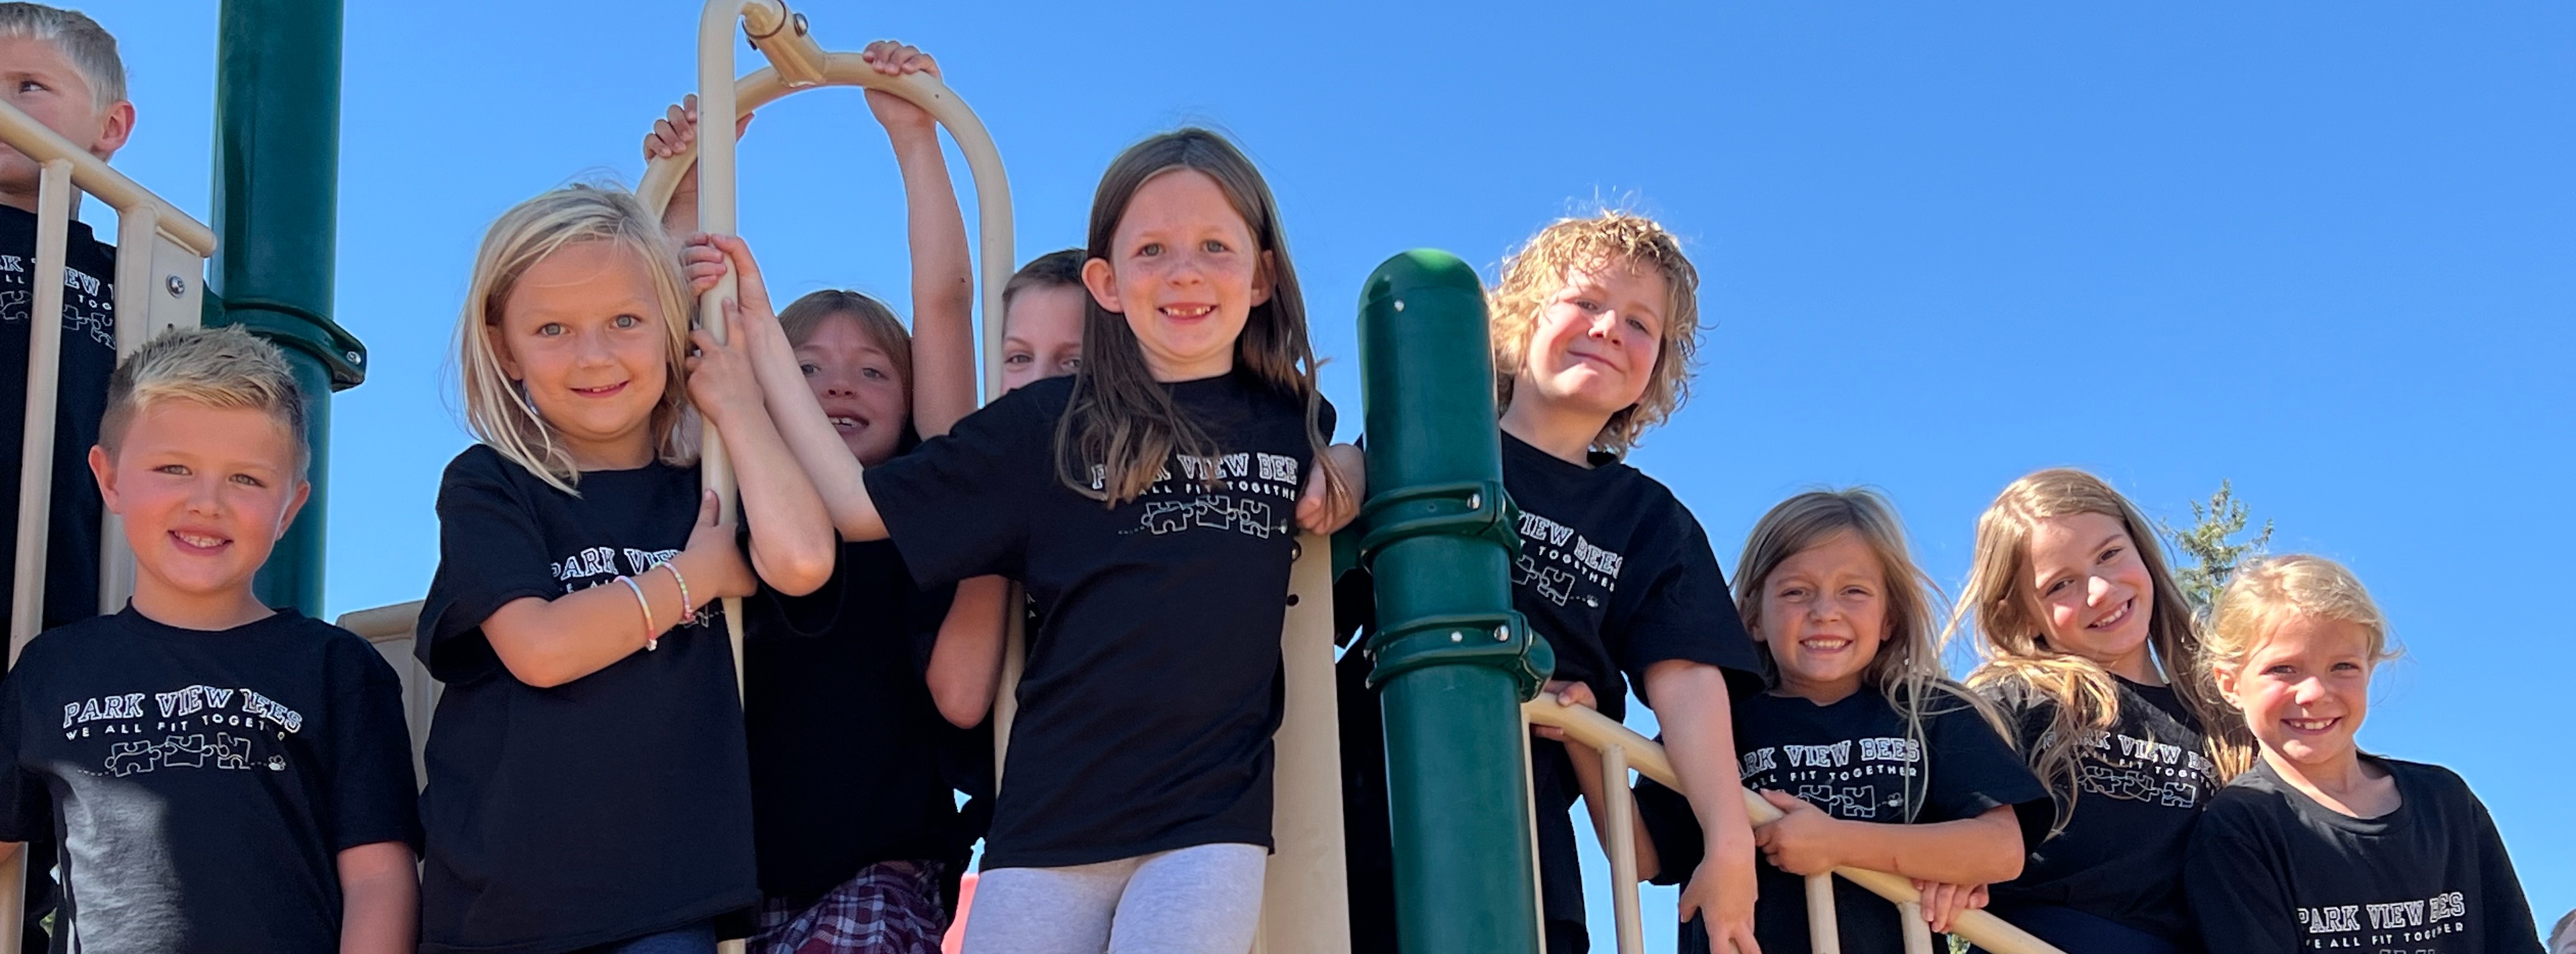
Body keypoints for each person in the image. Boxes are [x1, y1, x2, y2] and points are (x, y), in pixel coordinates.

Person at [687, 126, 1361, 954]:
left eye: (1213, 246)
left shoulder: (1288, 418)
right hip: (1048, 828)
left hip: (1205, 821)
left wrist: (1352, 469)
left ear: (1261, 275)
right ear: (1107, 283)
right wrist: (762, 351)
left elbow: (1376, 449)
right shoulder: (1045, 426)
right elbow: (862, 508)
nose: (1183, 270)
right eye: (1152, 249)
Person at [413, 184, 835, 954]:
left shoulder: (704, 488)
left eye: (626, 322)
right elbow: (539, 649)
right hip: (500, 907)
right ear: (504, 346)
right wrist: (692, 577)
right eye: (552, 328)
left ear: (671, 329)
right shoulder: (492, 482)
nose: (595, 354)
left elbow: (804, 559)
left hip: (662, 899)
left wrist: (738, 407)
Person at [1337, 210, 1761, 954]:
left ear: (1656, 368)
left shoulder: (1647, 520)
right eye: (1587, 303)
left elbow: (1689, 680)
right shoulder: (1426, 440)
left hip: (1519, 831)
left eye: (1639, 323)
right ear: (1522, 318)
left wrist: (1729, 845)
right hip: (1364, 793)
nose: (1607, 329)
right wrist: (1340, 465)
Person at [654, 42, 987, 954]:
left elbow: (947, 305)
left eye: (873, 371)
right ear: (763, 383)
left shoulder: (929, 490)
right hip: (735, 873)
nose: (840, 388)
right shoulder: (730, 485)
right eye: (807, 369)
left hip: (880, 862)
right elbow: (682, 350)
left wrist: (916, 137)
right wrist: (687, 191)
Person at [0, 327, 420, 953]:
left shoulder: (336, 668)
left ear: (290, 507)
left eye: (246, 479)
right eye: (174, 468)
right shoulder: (52, 669)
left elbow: (379, 878)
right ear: (109, 478)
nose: (207, 501)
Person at [1630, 489, 2048, 954]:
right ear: (1753, 617)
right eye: (1796, 592)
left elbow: (2001, 849)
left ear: (1889, 616)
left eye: (1854, 591)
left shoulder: (1931, 713)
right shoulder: (1717, 716)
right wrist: (1582, 721)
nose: (1825, 611)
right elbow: (1641, 854)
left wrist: (1836, 842)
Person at [1949, 468, 2251, 954]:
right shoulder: (2013, 702)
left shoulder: (2229, 718)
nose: (2100, 591)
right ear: (2021, 613)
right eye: (2060, 585)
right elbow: (1941, 830)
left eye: (2109, 554)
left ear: (2140, 548)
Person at [2185, 555, 2543, 954]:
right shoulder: (2240, 827)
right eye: (2283, 669)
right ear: (2230, 684)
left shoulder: (2445, 802)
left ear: (2370, 670)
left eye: (2343, 666)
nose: (2315, 693)